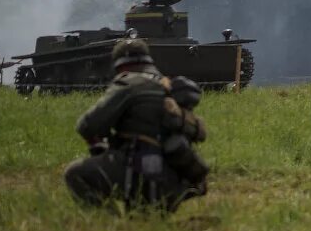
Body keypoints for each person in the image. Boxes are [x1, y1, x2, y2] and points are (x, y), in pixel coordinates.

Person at [63, 39, 208, 213]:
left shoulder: (128, 83)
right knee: (144, 224)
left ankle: (110, 224)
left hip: (138, 174)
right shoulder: (168, 84)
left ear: (120, 64)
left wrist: (102, 145)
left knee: (74, 173)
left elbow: (87, 125)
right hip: (175, 180)